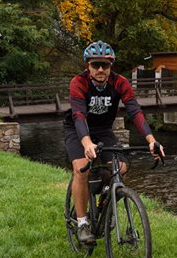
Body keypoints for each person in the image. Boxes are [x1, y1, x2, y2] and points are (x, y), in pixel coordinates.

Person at [64, 40, 164, 244]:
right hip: (77, 129)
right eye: (96, 65)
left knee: (122, 168)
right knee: (81, 168)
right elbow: (79, 115)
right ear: (88, 66)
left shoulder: (120, 83)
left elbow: (135, 111)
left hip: (103, 130)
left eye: (105, 65)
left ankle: (104, 205)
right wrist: (86, 143)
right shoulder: (79, 82)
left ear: (111, 65)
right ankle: (82, 223)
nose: (100, 69)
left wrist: (151, 140)